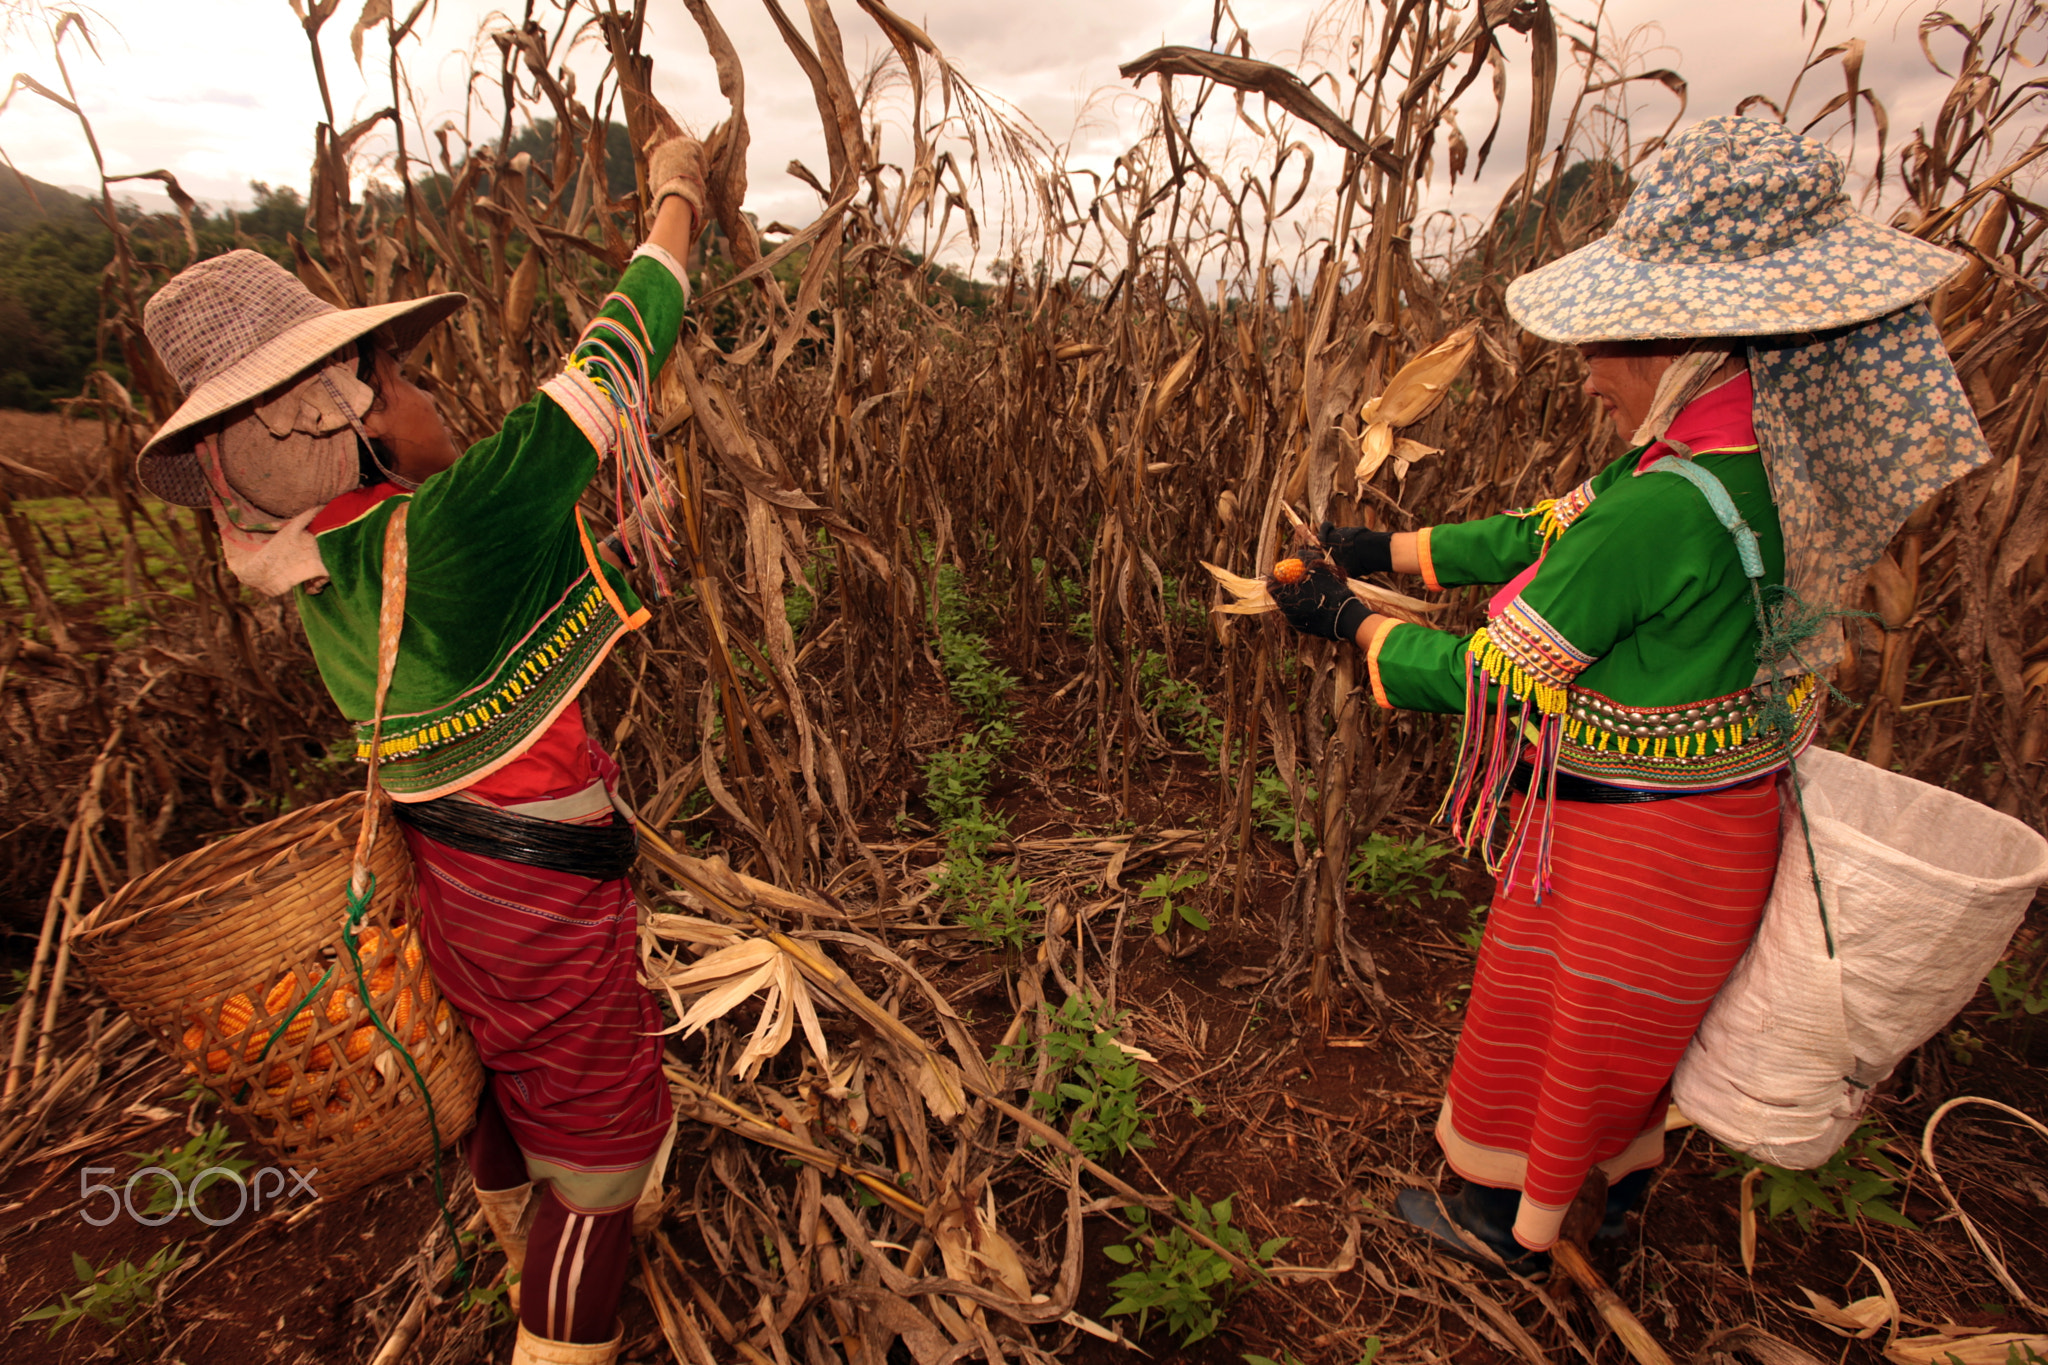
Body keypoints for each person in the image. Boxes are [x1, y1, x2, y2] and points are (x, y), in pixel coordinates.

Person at [1270, 115, 1992, 1274]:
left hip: (1622, 850)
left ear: (1677, 345)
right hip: (1723, 828)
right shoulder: (1747, 457)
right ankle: (1605, 1205)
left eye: (1601, 346)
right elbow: (1543, 529)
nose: (1588, 375)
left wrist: (1345, 625)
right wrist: (1388, 551)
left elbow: (1496, 680)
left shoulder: (1658, 505)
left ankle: (1503, 1222)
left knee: (1551, 1022)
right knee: (1630, 1035)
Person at [135, 134, 710, 1365]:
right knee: (600, 1167)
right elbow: (606, 372)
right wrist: (675, 197)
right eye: (397, 377)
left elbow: (527, 545)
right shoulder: (442, 531)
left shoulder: (338, 554)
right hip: (534, 900)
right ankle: (559, 1305)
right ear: (337, 416)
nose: (431, 397)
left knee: (503, 1081)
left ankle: (518, 1250)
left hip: (445, 886)